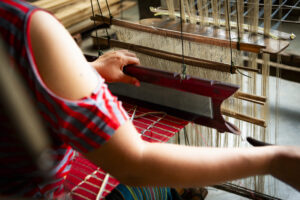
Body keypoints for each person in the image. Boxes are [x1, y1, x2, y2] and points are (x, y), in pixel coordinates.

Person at [0, 0, 299, 199]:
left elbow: (23, 79)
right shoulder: (24, 28)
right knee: (160, 189)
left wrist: (83, 70)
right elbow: (134, 163)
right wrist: (274, 159)